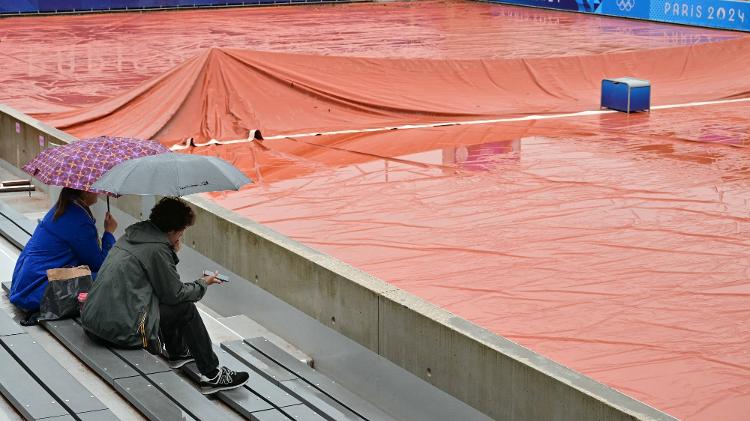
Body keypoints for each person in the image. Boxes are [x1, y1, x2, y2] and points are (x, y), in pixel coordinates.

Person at [81, 197, 249, 395]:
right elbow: (175, 294)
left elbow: (160, 285)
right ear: (173, 230)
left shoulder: (134, 234)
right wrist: (203, 283)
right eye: (182, 230)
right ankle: (212, 375)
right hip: (118, 331)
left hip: (93, 323)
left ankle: (178, 352)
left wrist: (170, 251)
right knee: (185, 308)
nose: (182, 235)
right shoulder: (158, 249)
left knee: (161, 299)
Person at [10, 187, 117, 313]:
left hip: (24, 286)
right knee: (110, 278)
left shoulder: (62, 208)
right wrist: (109, 233)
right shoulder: (79, 221)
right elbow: (100, 265)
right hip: (37, 292)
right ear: (84, 191)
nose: (99, 192)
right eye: (96, 188)